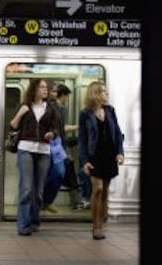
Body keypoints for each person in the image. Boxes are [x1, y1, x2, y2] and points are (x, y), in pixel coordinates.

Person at [10, 78, 59, 235]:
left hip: (44, 150)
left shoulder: (51, 108)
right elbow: (13, 125)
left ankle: (34, 221)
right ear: (34, 89)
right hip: (26, 149)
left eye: (47, 87)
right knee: (26, 188)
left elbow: (57, 129)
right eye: (42, 87)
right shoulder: (25, 106)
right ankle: (23, 226)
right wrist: (20, 113)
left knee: (38, 191)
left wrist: (52, 133)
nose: (46, 90)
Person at [78, 81, 124, 240]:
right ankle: (95, 226)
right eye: (103, 91)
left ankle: (101, 225)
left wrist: (120, 152)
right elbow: (82, 140)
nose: (106, 94)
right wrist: (84, 161)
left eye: (106, 91)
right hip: (94, 156)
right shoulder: (85, 114)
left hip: (109, 155)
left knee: (104, 191)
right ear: (95, 93)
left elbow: (118, 134)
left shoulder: (110, 111)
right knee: (97, 189)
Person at [42, 83, 77, 213]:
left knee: (56, 173)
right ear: (63, 95)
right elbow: (63, 128)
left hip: (54, 145)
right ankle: (45, 201)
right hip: (54, 145)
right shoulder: (61, 108)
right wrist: (79, 127)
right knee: (58, 173)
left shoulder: (51, 106)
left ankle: (45, 201)